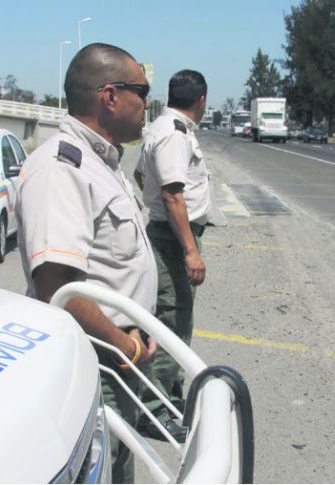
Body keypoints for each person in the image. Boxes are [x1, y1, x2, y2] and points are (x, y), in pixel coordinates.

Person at [15, 43, 157, 483]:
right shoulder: (63, 167)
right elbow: (58, 289)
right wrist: (125, 345)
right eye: (141, 90)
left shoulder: (103, 162)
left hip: (118, 355)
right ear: (110, 96)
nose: (147, 103)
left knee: (119, 469)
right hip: (98, 361)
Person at [133, 70, 211, 443]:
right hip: (173, 238)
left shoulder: (160, 130)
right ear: (201, 100)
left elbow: (139, 175)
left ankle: (169, 398)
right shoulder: (174, 135)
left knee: (173, 316)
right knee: (172, 319)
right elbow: (172, 195)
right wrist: (191, 250)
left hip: (168, 233)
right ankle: (156, 410)